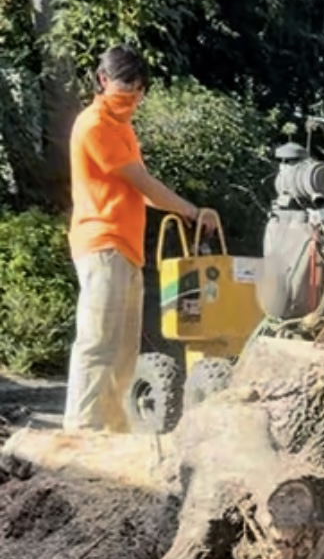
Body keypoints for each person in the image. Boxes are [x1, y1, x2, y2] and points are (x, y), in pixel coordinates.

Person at [64, 45, 219, 433]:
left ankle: (112, 433)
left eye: (139, 89)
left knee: (124, 352)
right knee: (98, 343)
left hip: (127, 249)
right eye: (125, 87)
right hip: (102, 242)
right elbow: (141, 181)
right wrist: (191, 210)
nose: (133, 96)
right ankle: (82, 432)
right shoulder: (95, 124)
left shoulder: (122, 128)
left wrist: (187, 212)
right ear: (102, 80)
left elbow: (144, 193)